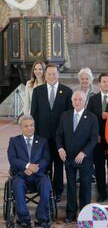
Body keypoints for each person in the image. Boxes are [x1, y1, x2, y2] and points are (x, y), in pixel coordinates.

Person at [31, 64, 73, 203]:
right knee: (45, 164)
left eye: (54, 74)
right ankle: (46, 190)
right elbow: (34, 114)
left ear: (58, 74)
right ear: (45, 75)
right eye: (49, 74)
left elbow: (69, 116)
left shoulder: (66, 91)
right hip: (42, 136)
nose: (51, 76)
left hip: (60, 137)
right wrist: (34, 135)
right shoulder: (37, 91)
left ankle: (58, 191)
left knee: (59, 165)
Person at [56, 91, 98, 223]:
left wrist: (84, 152)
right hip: (68, 157)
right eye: (75, 99)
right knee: (71, 186)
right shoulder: (65, 115)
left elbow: (93, 139)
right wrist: (60, 148)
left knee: (85, 186)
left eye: (80, 99)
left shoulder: (92, 117)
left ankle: (85, 214)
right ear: (72, 101)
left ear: (85, 101)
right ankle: (71, 213)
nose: (77, 102)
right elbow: (59, 135)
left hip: (85, 158)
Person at [7, 115, 51, 228]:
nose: (30, 128)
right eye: (26, 126)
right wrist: (27, 166)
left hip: (38, 174)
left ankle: (42, 216)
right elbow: (12, 159)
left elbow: (46, 158)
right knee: (17, 184)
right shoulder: (14, 141)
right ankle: (23, 218)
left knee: (46, 182)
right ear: (21, 127)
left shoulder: (42, 141)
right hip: (21, 175)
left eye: (32, 125)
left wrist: (36, 167)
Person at [87, 73, 108, 202]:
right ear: (99, 84)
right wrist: (95, 135)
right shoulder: (93, 99)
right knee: (99, 167)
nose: (106, 84)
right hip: (98, 138)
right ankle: (102, 193)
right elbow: (89, 119)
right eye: (104, 82)